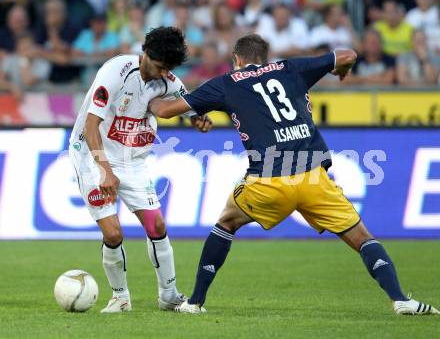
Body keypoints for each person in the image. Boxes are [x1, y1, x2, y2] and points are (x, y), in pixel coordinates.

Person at [148, 34, 440, 315]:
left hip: (268, 180)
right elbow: (348, 55)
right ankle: (401, 300)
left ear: (237, 59)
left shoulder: (227, 83)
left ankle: (195, 302)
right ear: (265, 58)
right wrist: (342, 70)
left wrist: (148, 97)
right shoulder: (291, 68)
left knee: (226, 222)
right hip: (313, 177)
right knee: (363, 238)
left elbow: (166, 111)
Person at [69, 27, 212, 313]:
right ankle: (120, 297)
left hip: (132, 161)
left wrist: (197, 119)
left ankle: (169, 295)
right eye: (160, 67)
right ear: (146, 53)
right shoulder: (115, 72)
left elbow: (187, 104)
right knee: (112, 234)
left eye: (167, 70)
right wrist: (105, 170)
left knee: (156, 226)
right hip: (92, 155)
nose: (162, 75)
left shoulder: (167, 78)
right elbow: (90, 124)